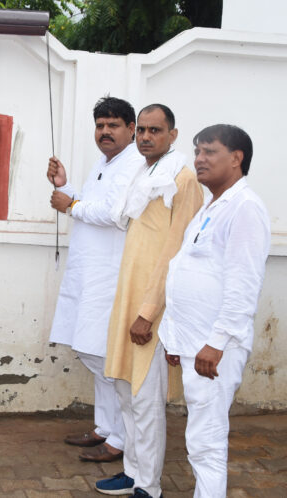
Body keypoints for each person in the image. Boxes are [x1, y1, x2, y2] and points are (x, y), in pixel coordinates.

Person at [96, 104, 204, 498]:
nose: (145, 137)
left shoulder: (183, 178)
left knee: (144, 398)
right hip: (129, 296)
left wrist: (148, 312)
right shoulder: (144, 173)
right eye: (140, 130)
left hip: (151, 307)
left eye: (154, 131)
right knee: (125, 390)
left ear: (172, 135)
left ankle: (149, 486)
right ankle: (131, 472)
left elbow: (176, 251)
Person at [159, 125, 270, 498]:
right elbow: (191, 272)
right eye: (197, 151)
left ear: (236, 159)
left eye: (209, 152)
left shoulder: (245, 208)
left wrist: (217, 343)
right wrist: (175, 338)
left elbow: (243, 287)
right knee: (199, 440)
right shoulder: (211, 206)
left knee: (206, 444)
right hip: (195, 344)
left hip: (214, 348)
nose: (199, 159)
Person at [48, 97, 144, 462]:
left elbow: (115, 214)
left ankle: (120, 439)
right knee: (97, 355)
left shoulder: (133, 164)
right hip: (89, 272)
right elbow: (90, 204)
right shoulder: (104, 162)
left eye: (114, 125)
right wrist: (67, 186)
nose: (105, 132)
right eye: (100, 125)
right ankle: (105, 428)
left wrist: (71, 205)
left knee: (108, 358)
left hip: (110, 275)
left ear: (131, 129)